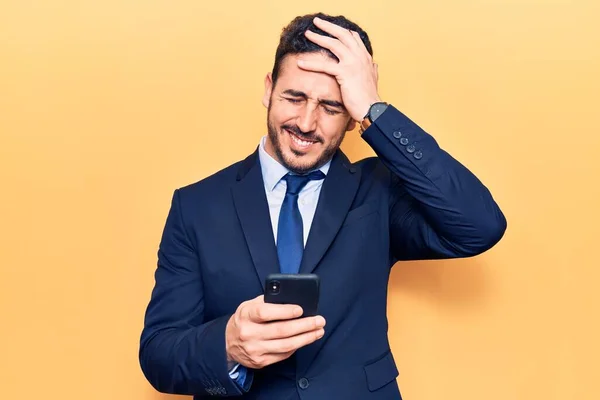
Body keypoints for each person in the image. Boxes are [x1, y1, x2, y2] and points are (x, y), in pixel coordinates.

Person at [139, 12, 507, 400]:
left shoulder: (377, 192)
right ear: (268, 88)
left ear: (351, 117)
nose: (307, 122)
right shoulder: (196, 205)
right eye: (293, 97)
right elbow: (159, 353)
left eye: (331, 108)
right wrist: (227, 344)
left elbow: (479, 225)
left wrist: (374, 110)